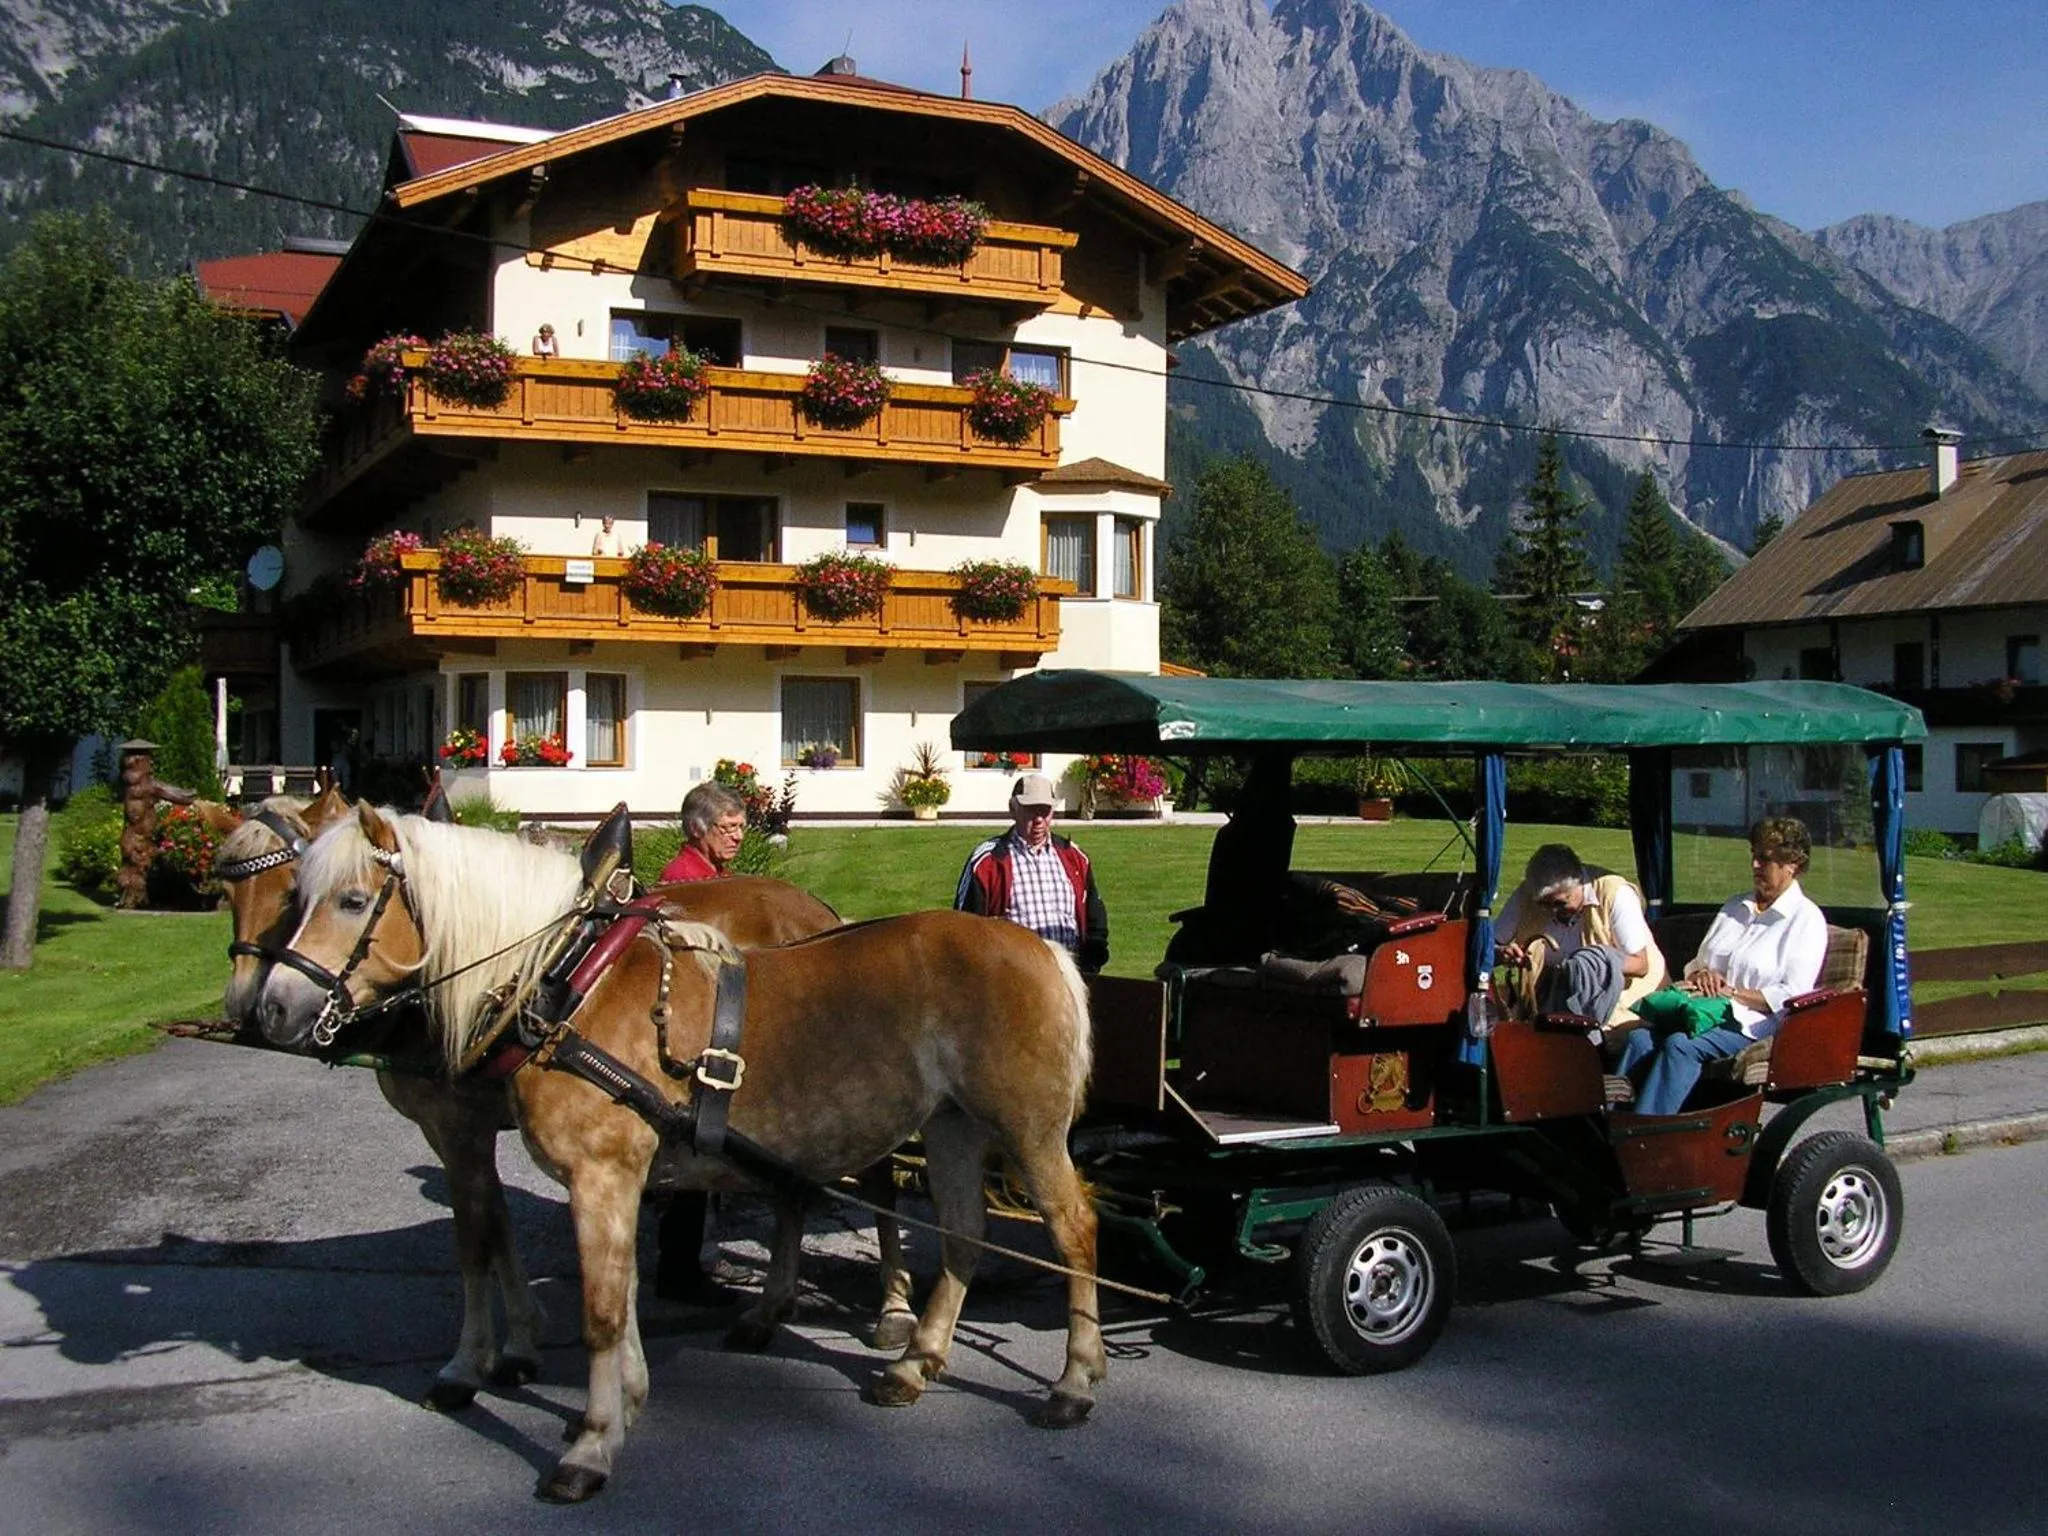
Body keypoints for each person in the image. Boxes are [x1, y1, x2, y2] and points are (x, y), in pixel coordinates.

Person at [1617, 816, 1828, 1116]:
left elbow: (1790, 994)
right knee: (1639, 1038)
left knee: (1680, 1046)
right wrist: (1702, 975)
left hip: (1751, 1022)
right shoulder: (1735, 907)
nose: (1755, 865)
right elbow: (1697, 964)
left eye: (1765, 859)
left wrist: (1731, 993)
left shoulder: (1805, 920)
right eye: (1753, 856)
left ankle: (1645, 1133)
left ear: (1791, 864)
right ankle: (1608, 1123)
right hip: (1700, 1009)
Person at [651, 778, 747, 1300]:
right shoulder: (686, 883)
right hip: (696, 1027)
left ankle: (695, 1258)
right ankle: (685, 1267)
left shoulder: (713, 875)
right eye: (728, 829)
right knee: (697, 1150)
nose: (736, 837)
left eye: (740, 828)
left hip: (712, 1019)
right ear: (697, 830)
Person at [1496, 844, 1666, 1030]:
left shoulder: (1615, 893)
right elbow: (1492, 944)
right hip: (1549, 1001)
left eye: (1560, 903)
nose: (1553, 911)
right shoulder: (1528, 893)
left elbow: (1640, 965)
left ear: (1579, 882)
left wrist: (1590, 964)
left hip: (1623, 1005)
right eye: (1544, 905)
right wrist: (1503, 953)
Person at [955, 771, 1109, 974]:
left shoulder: (1074, 858)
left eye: (1044, 811)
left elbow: (1094, 917)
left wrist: (1092, 961)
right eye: (1030, 810)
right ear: (1013, 809)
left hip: (1070, 977)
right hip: (1014, 980)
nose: (1038, 820)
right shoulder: (986, 862)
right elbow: (965, 928)